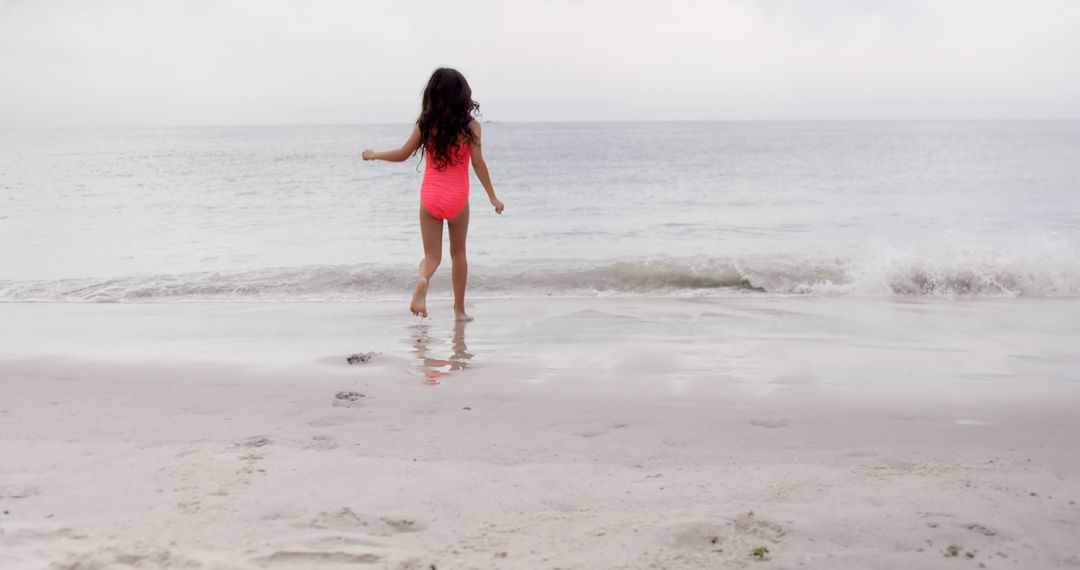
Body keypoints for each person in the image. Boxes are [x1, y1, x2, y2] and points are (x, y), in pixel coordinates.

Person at [362, 68, 504, 321]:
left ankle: (423, 280)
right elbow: (478, 163)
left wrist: (375, 155)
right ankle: (459, 311)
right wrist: (492, 197)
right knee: (458, 253)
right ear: (463, 95)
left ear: (432, 95)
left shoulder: (426, 125)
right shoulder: (471, 127)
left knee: (432, 256)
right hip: (457, 198)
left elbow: (403, 154)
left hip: (430, 198)